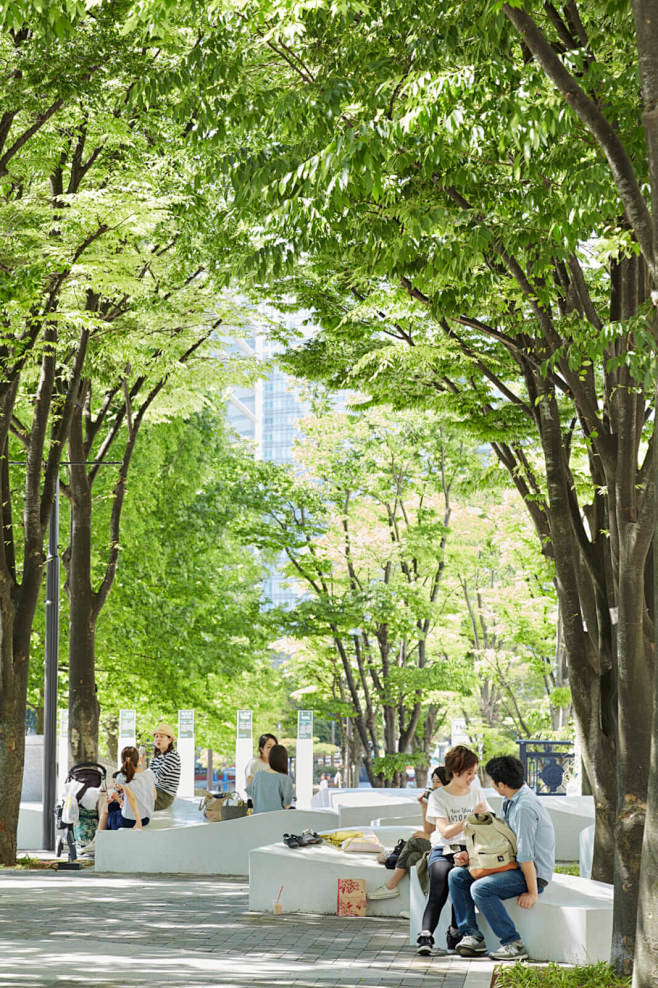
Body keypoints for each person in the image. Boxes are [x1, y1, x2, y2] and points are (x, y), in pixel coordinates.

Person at [448, 754, 555, 962]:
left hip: (531, 872)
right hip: (512, 865)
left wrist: (533, 892)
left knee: (480, 888)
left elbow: (526, 855)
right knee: (457, 876)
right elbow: (500, 843)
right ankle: (472, 936)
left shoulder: (524, 807)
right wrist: (471, 858)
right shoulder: (510, 800)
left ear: (502, 784)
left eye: (492, 782)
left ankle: (513, 944)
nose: (491, 785)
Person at [415, 746, 491, 956]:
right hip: (443, 849)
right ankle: (426, 935)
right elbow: (445, 832)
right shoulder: (439, 797)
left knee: (461, 881)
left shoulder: (476, 792)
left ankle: (455, 931)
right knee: (439, 885)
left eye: (474, 773)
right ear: (455, 772)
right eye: (469, 773)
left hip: (470, 849)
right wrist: (471, 817)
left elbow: (488, 820)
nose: (472, 778)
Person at [368, 766, 448, 901]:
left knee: (414, 841)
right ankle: (418, 907)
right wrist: (424, 806)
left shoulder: (453, 802)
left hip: (446, 848)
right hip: (437, 845)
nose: (434, 786)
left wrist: (428, 837)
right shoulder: (438, 801)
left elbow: (446, 834)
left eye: (438, 782)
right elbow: (429, 829)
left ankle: (391, 885)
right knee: (413, 858)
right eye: (433, 781)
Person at [246, 743, 294, 813]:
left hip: (257, 819)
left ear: (270, 758)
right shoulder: (286, 779)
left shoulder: (257, 776)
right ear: (284, 760)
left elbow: (253, 800)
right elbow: (287, 806)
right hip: (277, 820)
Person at [148, 723, 181, 811]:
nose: (158, 739)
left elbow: (156, 778)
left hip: (164, 796)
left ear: (170, 740)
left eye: (162, 736)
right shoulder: (157, 756)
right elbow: (148, 775)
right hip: (155, 791)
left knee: (131, 801)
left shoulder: (172, 756)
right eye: (156, 736)